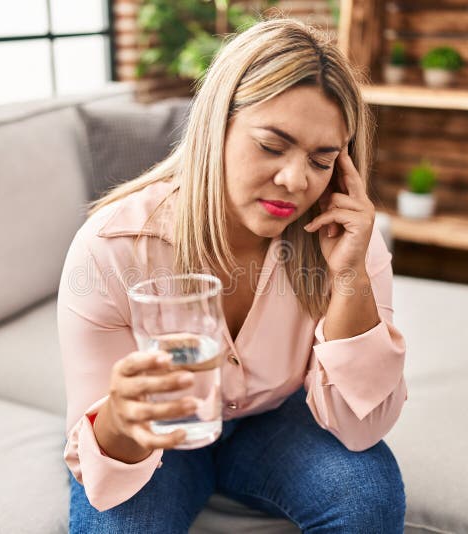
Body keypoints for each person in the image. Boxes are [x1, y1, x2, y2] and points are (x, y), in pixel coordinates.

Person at [58, 17, 408, 534]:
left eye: (321, 159)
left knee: (366, 501)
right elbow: (103, 462)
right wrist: (120, 421)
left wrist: (351, 276)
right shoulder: (112, 248)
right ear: (215, 127)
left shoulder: (346, 242)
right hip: (161, 436)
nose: (295, 180)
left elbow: (363, 426)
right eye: (271, 146)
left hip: (276, 419)